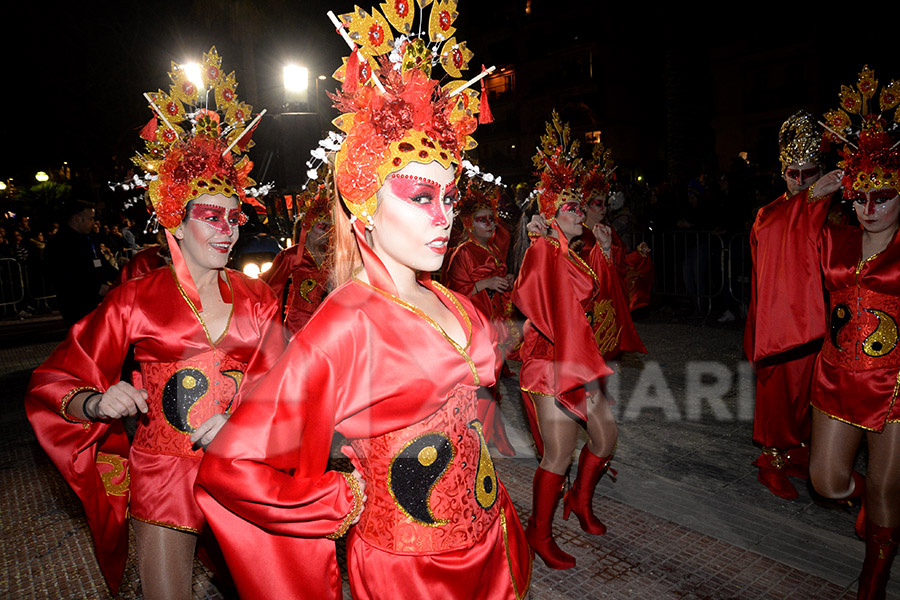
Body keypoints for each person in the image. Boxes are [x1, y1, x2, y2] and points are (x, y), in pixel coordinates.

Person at [195, 6, 532, 599]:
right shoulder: (347, 321)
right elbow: (231, 464)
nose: (443, 215)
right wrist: (336, 498)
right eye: (420, 196)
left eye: (449, 197)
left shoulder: (454, 304)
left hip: (494, 544)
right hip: (412, 573)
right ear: (366, 207)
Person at [25, 47, 282, 600]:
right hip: (163, 475)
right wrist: (96, 403)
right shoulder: (134, 301)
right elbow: (55, 378)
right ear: (175, 220)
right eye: (210, 217)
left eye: (234, 217)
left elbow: (285, 383)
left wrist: (247, 425)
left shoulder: (258, 296)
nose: (227, 231)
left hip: (244, 467)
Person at [512, 112, 634, 570]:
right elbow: (541, 297)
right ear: (549, 215)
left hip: (578, 363)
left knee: (605, 439)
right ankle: (537, 533)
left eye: (580, 206)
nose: (580, 213)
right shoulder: (543, 250)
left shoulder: (576, 251)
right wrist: (546, 242)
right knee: (560, 452)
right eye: (571, 208)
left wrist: (603, 253)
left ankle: (580, 502)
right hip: (548, 364)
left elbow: (604, 302)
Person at [807, 66, 900, 600]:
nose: (868, 210)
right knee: (825, 481)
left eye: (882, 196)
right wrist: (815, 197)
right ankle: (883, 514)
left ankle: (874, 580)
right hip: (838, 373)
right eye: (859, 198)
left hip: (895, 385)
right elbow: (778, 243)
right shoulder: (834, 240)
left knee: (888, 487)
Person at [743, 110, 833, 499]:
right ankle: (771, 458)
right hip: (782, 321)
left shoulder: (833, 210)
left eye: (809, 174)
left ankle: (799, 454)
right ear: (782, 173)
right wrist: (814, 195)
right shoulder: (771, 214)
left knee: (813, 393)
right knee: (781, 392)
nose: (800, 181)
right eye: (793, 173)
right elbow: (779, 234)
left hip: (823, 319)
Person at [445, 173, 517, 455]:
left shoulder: (493, 250)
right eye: (483, 219)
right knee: (482, 383)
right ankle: (475, 439)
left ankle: (489, 435)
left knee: (493, 382)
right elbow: (454, 290)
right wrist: (483, 284)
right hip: (476, 328)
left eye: (492, 218)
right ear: (469, 224)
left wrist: (506, 280)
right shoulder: (463, 252)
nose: (490, 223)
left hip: (495, 323)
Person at [261, 177, 332, 338]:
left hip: (327, 323)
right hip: (298, 325)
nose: (327, 232)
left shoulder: (332, 255)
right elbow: (271, 288)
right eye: (322, 227)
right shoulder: (292, 255)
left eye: (330, 227)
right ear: (307, 227)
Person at [45, 199, 119, 326]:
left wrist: (124, 275)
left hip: (97, 300)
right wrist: (95, 287)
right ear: (77, 219)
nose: (94, 222)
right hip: (76, 302)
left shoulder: (89, 238)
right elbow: (64, 275)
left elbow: (103, 264)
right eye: (90, 218)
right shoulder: (59, 244)